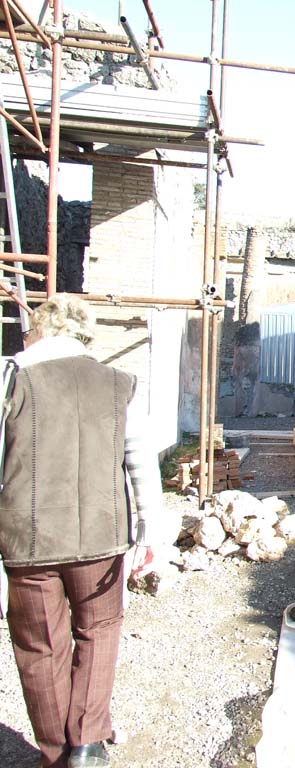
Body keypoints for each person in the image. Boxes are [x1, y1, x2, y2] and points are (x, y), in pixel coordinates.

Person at [0, 295, 169, 768]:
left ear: (39, 332)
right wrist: (150, 531)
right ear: (82, 336)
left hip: (26, 538)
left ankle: (56, 754)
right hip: (101, 537)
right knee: (99, 631)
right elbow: (140, 464)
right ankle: (87, 742)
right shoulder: (118, 384)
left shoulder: (12, 380)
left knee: (39, 646)